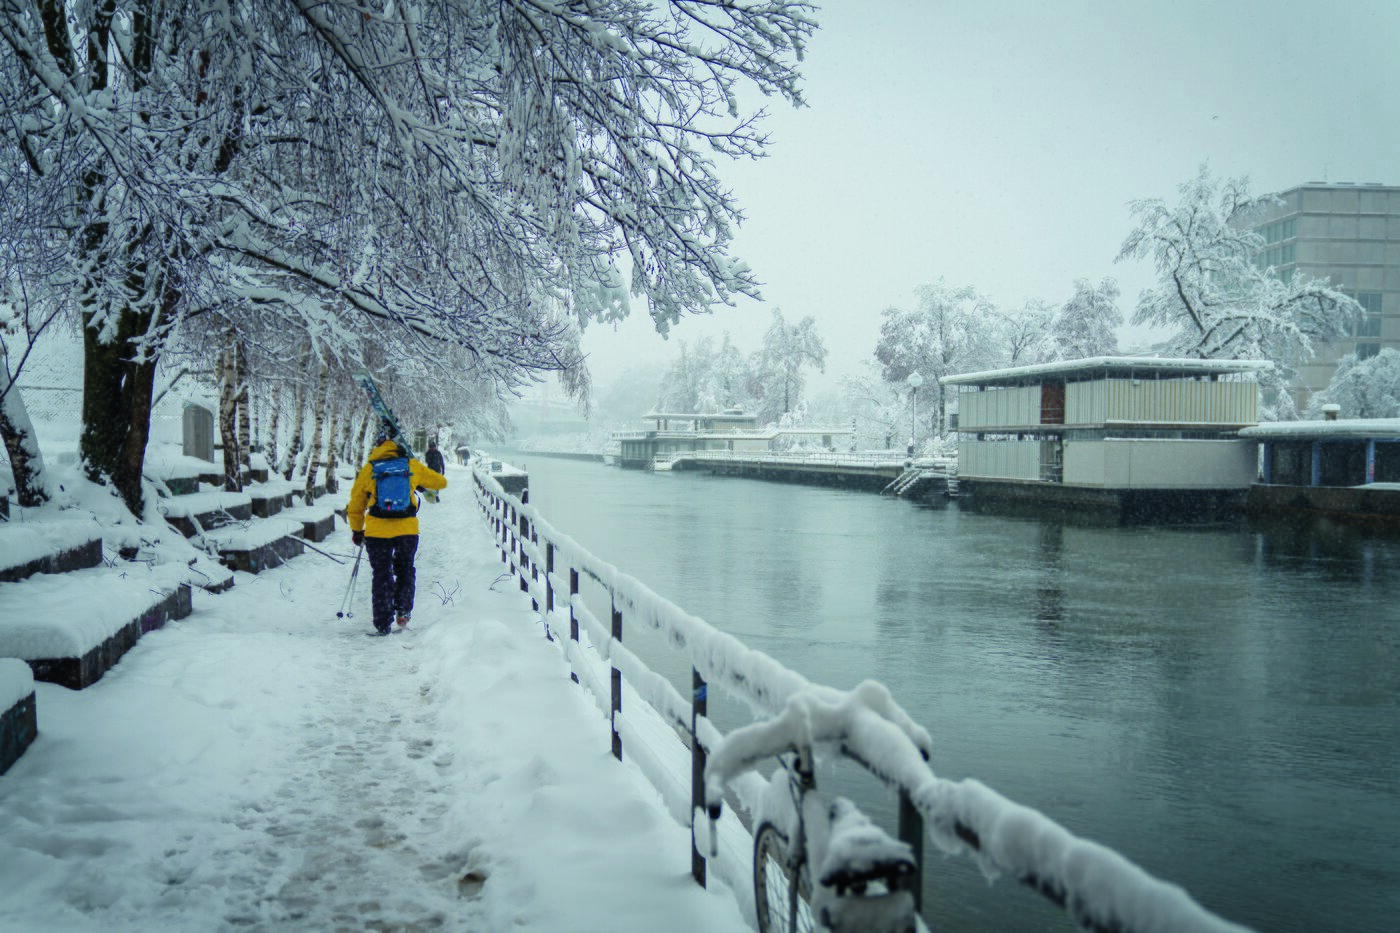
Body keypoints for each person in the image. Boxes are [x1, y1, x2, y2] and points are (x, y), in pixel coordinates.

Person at [347, 423, 448, 636]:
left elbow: (356, 505)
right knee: (405, 569)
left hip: (377, 532)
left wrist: (357, 531)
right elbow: (441, 483)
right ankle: (403, 611)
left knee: (381, 574)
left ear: (378, 445)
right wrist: (418, 484)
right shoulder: (411, 465)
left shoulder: (370, 468)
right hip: (406, 531)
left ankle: (383, 623)